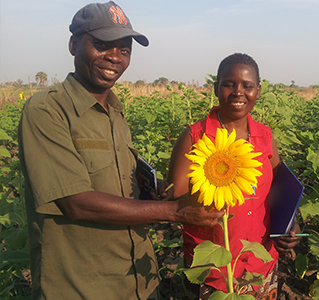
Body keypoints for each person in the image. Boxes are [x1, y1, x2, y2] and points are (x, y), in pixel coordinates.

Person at [18, 2, 224, 300]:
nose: (114, 57)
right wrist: (173, 211)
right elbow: (75, 202)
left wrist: (150, 194)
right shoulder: (47, 110)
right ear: (73, 44)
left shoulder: (115, 110)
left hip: (139, 279)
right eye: (102, 45)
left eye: (124, 49)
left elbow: (114, 185)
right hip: (82, 286)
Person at [167, 53, 301, 299]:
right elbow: (174, 201)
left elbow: (278, 190)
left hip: (261, 260)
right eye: (229, 84)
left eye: (247, 86)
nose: (238, 92)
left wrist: (289, 223)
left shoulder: (265, 136)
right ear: (216, 88)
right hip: (214, 269)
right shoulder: (195, 138)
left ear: (258, 91)